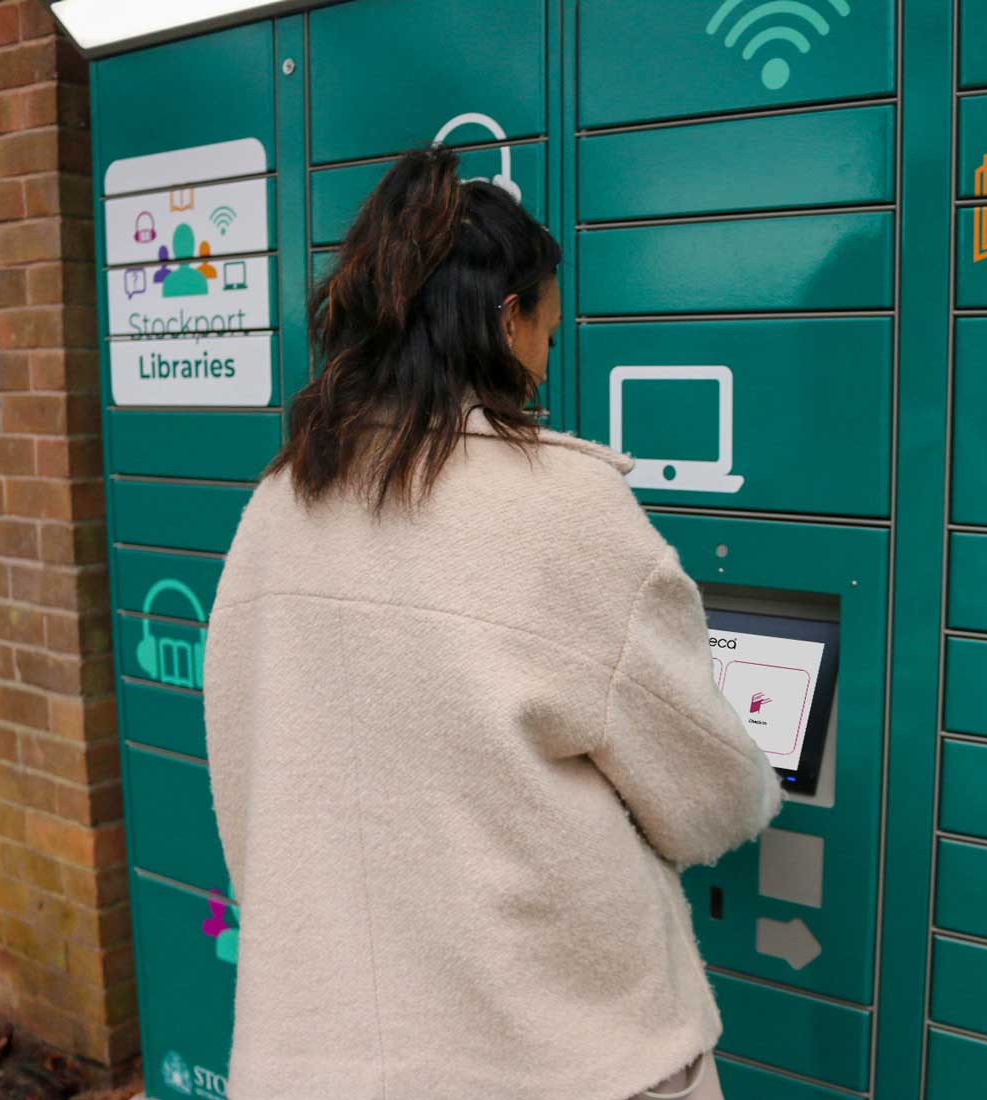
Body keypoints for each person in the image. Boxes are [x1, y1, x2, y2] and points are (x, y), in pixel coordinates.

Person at [202, 145, 783, 1100]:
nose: (550, 357)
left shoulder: (281, 503)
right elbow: (709, 795)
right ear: (507, 320)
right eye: (551, 331)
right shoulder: (567, 509)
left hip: (323, 1057)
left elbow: (249, 767)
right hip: (561, 1057)